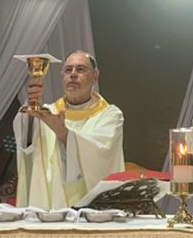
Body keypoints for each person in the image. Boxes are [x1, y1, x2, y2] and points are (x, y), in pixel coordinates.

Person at [13, 50, 124, 209]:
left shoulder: (110, 115)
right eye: (68, 70)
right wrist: (31, 106)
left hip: (90, 212)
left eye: (80, 69)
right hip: (51, 205)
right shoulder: (49, 113)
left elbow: (101, 157)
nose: (73, 74)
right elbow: (27, 144)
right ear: (62, 77)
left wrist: (63, 133)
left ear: (95, 76)